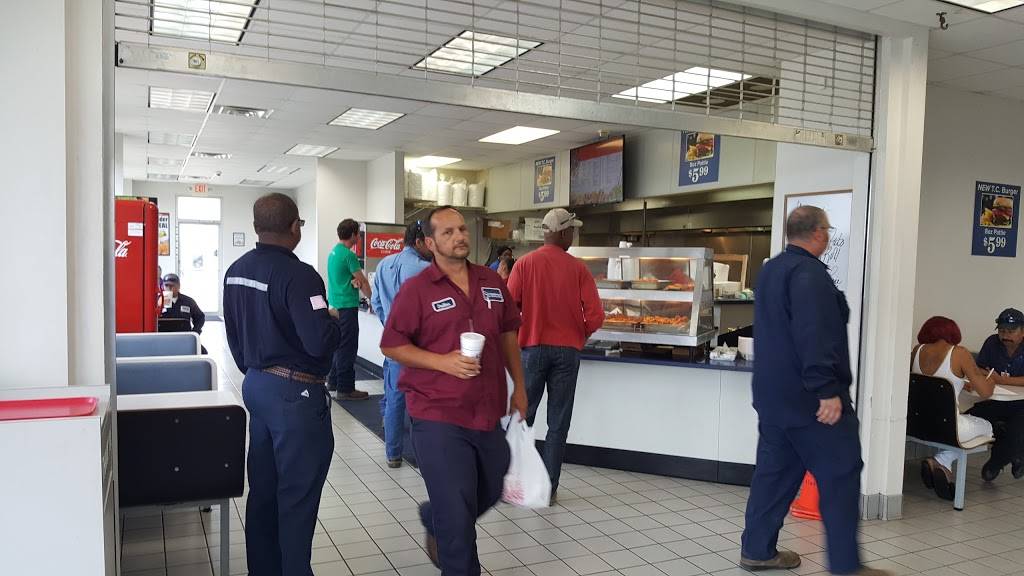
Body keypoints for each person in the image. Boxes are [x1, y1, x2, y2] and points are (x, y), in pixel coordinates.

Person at [380, 206, 528, 576]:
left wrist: (520, 387)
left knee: (491, 485)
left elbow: (508, 334)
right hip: (437, 414)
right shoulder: (417, 290)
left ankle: (437, 518)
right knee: (458, 521)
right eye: (447, 232)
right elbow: (392, 345)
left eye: (461, 229)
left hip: (486, 410)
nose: (459, 236)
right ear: (430, 243)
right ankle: (450, 534)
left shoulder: (491, 281)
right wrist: (442, 362)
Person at [740, 206, 887, 576]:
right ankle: (847, 567)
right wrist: (826, 391)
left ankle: (757, 550)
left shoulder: (771, 270)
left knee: (773, 476)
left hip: (773, 399)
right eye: (828, 230)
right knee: (840, 476)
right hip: (811, 403)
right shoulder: (810, 275)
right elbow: (815, 335)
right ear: (819, 232)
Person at [222, 193, 340, 576]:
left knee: (264, 492)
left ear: (256, 227)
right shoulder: (300, 276)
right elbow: (319, 342)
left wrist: (256, 373)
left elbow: (234, 335)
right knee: (297, 498)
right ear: (294, 227)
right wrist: (333, 321)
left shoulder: (235, 271)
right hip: (295, 396)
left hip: (258, 387)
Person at [507, 208, 604, 503]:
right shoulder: (578, 269)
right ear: (562, 233)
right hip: (567, 353)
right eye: (571, 230)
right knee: (558, 424)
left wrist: (524, 330)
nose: (573, 235)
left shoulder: (524, 264)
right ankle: (548, 489)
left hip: (532, 349)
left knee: (523, 417)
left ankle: (515, 481)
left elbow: (508, 309)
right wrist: (579, 334)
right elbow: (596, 316)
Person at [370, 221, 432, 468]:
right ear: (418, 242)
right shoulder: (426, 270)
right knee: (422, 402)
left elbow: (376, 302)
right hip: (419, 348)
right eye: (429, 242)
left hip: (393, 345)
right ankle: (424, 454)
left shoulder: (383, 264)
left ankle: (393, 454)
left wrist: (389, 326)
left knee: (394, 398)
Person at [911, 316, 994, 501]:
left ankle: (942, 465)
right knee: (987, 427)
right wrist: (992, 380)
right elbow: (985, 392)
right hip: (948, 428)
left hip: (918, 425)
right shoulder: (959, 353)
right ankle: (940, 461)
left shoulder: (917, 350)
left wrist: (960, 383)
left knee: (962, 422)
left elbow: (932, 383)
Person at [969, 308, 1024, 481]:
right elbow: (979, 367)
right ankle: (1017, 455)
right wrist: (986, 375)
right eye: (1001, 331)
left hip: (1021, 403)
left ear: (1023, 331)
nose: (1005, 335)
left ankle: (997, 462)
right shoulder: (992, 343)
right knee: (972, 415)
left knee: (1017, 427)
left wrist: (1001, 380)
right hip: (995, 399)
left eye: (1011, 331)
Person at [327, 218, 371, 401]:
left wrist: (352, 282)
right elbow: (363, 281)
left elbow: (344, 278)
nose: (359, 238)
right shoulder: (348, 255)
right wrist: (373, 299)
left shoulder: (334, 252)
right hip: (347, 307)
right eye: (358, 234)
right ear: (353, 235)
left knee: (338, 345)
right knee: (348, 347)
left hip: (335, 305)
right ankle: (346, 389)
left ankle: (333, 381)